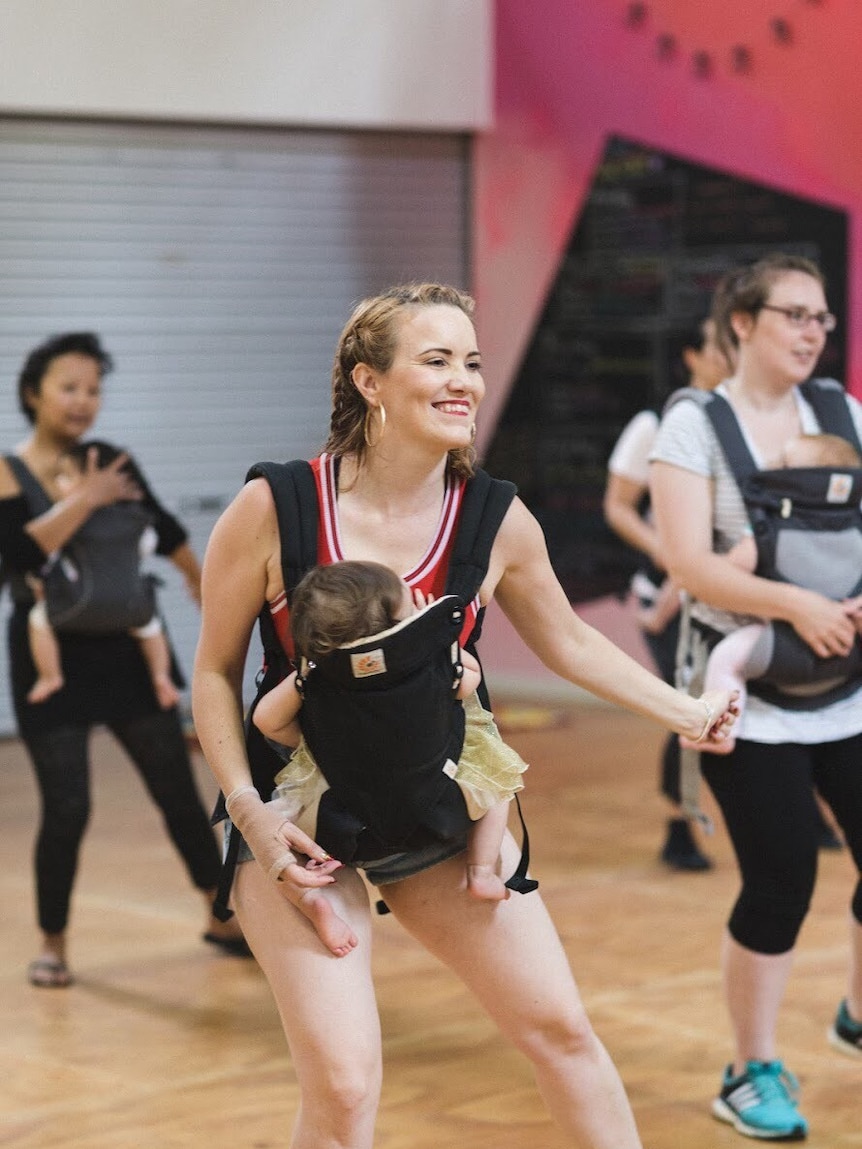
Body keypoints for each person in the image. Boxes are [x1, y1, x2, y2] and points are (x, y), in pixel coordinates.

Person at [192, 282, 738, 1149]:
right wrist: (250, 815)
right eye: (437, 359)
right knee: (342, 1082)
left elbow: (570, 642)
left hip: (439, 803)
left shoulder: (494, 516)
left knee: (561, 1032)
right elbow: (215, 676)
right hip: (296, 818)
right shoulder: (277, 507)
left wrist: (689, 710)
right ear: (369, 382)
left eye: (473, 362)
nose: (466, 381)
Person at [650, 253, 862, 1141]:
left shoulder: (841, 410)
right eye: (796, 315)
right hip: (745, 687)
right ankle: (750, 1068)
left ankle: (856, 1011)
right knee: (783, 877)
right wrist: (797, 604)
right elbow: (690, 565)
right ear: (742, 322)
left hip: (848, 680)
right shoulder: (693, 426)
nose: (816, 331)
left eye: (823, 318)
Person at [0, 332, 248, 989]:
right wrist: (87, 497)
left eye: (93, 388)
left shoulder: (112, 458)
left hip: (130, 653)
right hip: (49, 654)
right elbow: (19, 558)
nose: (84, 400)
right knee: (68, 806)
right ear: (34, 394)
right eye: (69, 387)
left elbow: (164, 530)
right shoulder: (7, 469)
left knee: (175, 788)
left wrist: (206, 586)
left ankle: (219, 916)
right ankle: (53, 943)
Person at [252, 559, 529, 955]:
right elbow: (469, 679)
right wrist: (432, 636)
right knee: (497, 786)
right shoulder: (430, 670)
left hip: (341, 823)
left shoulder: (316, 682)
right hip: (438, 810)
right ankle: (482, 871)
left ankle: (314, 903)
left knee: (276, 843)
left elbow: (267, 721)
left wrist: (304, 701)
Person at [604, 312, 734, 870]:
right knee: (690, 701)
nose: (730, 353)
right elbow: (618, 506)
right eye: (718, 343)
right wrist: (672, 556)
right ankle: (679, 825)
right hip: (670, 594)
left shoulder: (738, 421)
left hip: (730, 589)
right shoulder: (653, 424)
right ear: (690, 354)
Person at [684, 432, 862, 758]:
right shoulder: (855, 527)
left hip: (780, 647)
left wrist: (709, 563)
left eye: (784, 463)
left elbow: (728, 572)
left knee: (727, 660)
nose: (771, 466)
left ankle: (719, 728)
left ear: (802, 479)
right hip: (849, 647)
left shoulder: (769, 529)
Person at [25, 440, 180, 710]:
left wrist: (37, 584)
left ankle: (50, 676)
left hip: (77, 605)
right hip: (131, 606)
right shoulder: (136, 517)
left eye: (65, 476)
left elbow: (43, 561)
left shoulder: (66, 517)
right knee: (151, 627)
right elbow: (145, 548)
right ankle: (160, 676)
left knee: (38, 617)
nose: (58, 483)